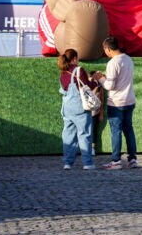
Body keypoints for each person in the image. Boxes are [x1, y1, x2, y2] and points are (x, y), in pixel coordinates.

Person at [94, 36, 137, 170]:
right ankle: (132, 159)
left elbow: (110, 86)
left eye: (104, 49)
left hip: (116, 102)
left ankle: (116, 161)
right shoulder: (128, 59)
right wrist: (106, 78)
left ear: (107, 48)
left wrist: (100, 79)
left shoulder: (113, 63)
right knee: (129, 130)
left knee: (116, 132)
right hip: (129, 100)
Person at [59, 48, 98, 170]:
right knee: (84, 134)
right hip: (80, 108)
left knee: (68, 137)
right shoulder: (79, 70)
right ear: (74, 58)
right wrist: (96, 81)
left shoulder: (63, 74)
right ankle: (87, 163)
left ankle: (67, 163)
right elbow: (88, 86)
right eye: (77, 58)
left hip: (67, 109)